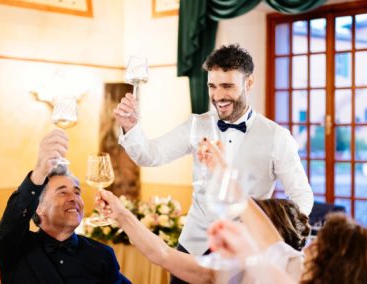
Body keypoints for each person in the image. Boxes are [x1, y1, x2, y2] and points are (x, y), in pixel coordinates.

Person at [113, 44, 313, 266]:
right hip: (193, 247)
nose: (218, 96)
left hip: (245, 253)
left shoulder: (277, 136)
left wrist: (277, 238)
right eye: (212, 86)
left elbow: (301, 195)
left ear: (249, 83)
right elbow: (149, 155)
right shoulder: (196, 125)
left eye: (227, 86)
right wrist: (131, 127)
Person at [0, 129, 131, 284]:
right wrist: (40, 171)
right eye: (62, 192)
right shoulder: (15, 248)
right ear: (38, 208)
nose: (74, 198)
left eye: (77, 192)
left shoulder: (102, 255)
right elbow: (8, 226)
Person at [96, 188, 310, 283]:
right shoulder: (228, 270)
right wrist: (121, 215)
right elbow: (163, 255)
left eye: (251, 227)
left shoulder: (294, 273)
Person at [209, 212, 367, 284]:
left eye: (319, 247)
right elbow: (272, 242)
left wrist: (248, 254)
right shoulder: (297, 264)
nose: (309, 246)